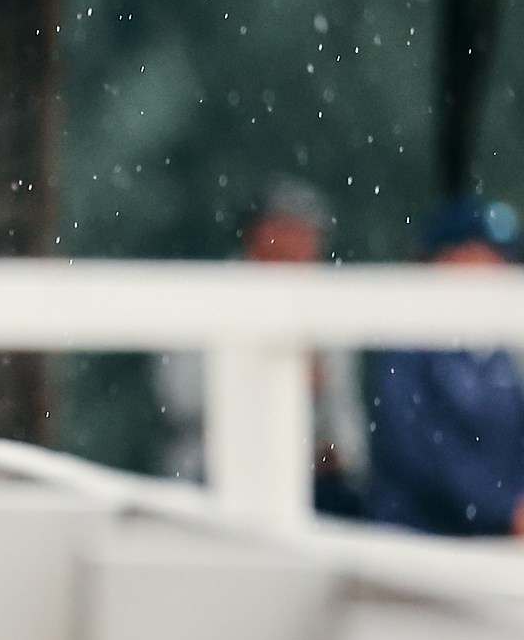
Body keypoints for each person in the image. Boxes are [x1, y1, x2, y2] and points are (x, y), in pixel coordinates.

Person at [155, 180, 368, 514]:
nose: (299, 245)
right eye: (288, 232)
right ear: (256, 236)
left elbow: (345, 424)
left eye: (307, 235)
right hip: (212, 471)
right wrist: (261, 381)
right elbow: (177, 398)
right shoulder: (209, 298)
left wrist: (335, 448)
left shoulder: (327, 309)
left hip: (310, 482)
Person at [365, 196, 524, 538]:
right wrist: (504, 509)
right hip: (418, 552)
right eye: (479, 255)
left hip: (492, 551)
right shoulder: (406, 346)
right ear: (443, 260)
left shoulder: (499, 349)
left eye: (501, 258)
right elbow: (417, 453)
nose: (495, 269)